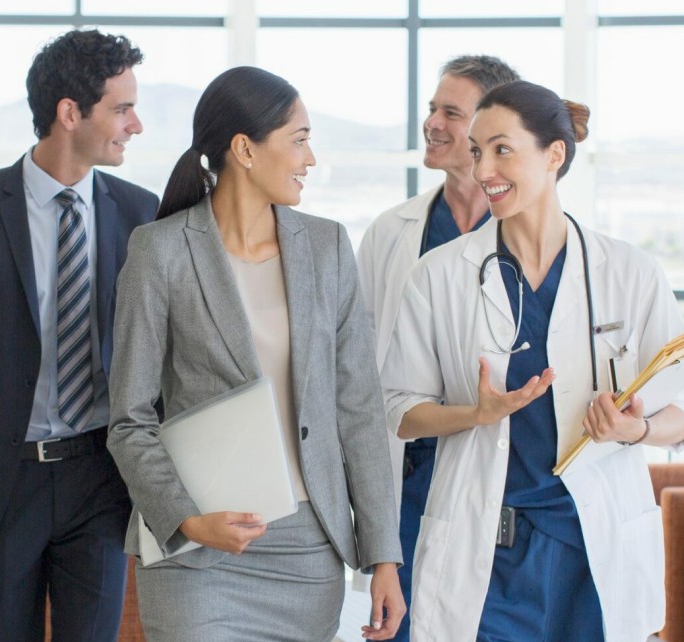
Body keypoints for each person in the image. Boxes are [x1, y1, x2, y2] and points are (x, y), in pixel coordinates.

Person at [380, 80, 684, 642]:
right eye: (477, 151)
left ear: (554, 155)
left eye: (503, 149)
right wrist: (473, 414)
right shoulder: (440, 273)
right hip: (487, 558)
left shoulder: (629, 272)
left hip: (593, 551)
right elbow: (400, 410)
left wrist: (636, 427)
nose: (484, 169)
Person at [107, 66, 404, 642]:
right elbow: (129, 419)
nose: (310, 159)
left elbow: (360, 412)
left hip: (308, 553)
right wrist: (187, 520)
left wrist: (383, 558)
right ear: (244, 148)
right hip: (196, 553)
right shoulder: (160, 251)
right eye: (298, 140)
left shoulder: (327, 247)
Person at [0, 30, 157, 642]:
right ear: (71, 113)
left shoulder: (141, 214)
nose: (135, 125)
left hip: (100, 480)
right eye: (122, 108)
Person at [355, 54, 518, 640]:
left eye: (451, 111)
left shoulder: (527, 235)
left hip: (495, 487)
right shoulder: (391, 232)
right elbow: (362, 371)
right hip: (407, 481)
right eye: (432, 109)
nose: (433, 123)